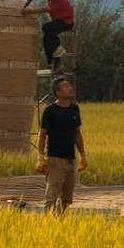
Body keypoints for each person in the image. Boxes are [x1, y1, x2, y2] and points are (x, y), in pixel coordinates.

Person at [38, 76, 86, 213]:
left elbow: (77, 133)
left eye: (69, 86)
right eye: (66, 87)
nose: (70, 88)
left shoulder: (74, 109)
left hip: (71, 158)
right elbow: (42, 135)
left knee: (67, 197)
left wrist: (82, 155)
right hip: (55, 159)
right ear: (58, 93)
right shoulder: (50, 111)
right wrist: (41, 157)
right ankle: (48, 223)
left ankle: (61, 221)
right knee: (52, 195)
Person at [21, 0, 75, 68]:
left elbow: (42, 10)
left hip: (66, 22)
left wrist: (28, 11)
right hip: (58, 20)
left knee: (46, 28)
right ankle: (51, 62)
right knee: (46, 38)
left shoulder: (58, 3)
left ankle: (58, 48)